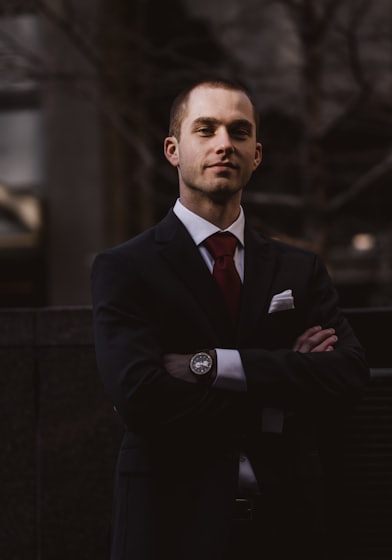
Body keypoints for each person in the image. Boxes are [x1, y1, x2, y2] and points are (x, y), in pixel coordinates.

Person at [91, 78, 369, 560]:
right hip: (170, 528)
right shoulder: (125, 268)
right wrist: (281, 394)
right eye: (206, 129)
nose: (225, 143)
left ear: (256, 154)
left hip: (289, 528)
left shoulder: (299, 269)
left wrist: (211, 366)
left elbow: (346, 376)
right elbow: (140, 399)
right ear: (173, 149)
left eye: (239, 132)